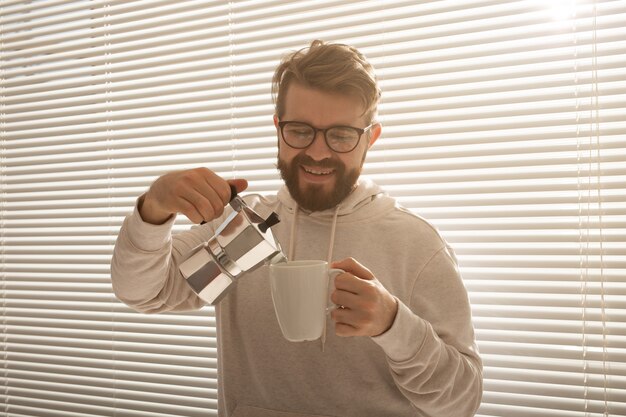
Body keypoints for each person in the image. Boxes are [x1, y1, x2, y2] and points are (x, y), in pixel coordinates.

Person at [111, 39, 482, 417]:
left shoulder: (416, 244)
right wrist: (154, 208)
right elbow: (143, 292)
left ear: (370, 138)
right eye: (300, 130)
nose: (318, 152)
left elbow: (461, 403)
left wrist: (393, 325)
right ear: (277, 127)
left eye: (341, 135)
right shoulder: (243, 228)